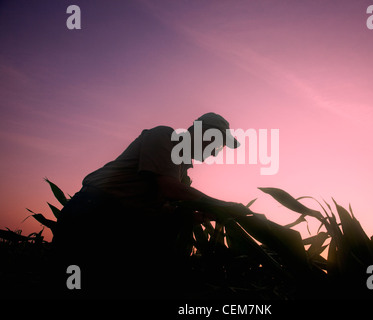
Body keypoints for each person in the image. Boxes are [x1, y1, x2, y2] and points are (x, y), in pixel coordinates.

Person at [52, 112, 241, 298]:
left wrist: (197, 217)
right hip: (92, 212)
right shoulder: (166, 137)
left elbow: (163, 207)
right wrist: (223, 206)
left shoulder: (182, 171)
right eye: (216, 142)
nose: (217, 150)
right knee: (75, 283)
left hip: (119, 220)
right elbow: (171, 189)